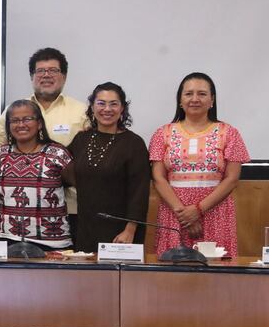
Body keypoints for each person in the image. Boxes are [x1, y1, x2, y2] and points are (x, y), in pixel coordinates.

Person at [0, 48, 86, 236]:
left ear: (64, 76)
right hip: (22, 210)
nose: (46, 75)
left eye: (53, 70)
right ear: (32, 76)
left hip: (72, 206)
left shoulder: (81, 111)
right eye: (40, 71)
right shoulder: (17, 108)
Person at [149, 73, 249, 257]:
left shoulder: (230, 133)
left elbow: (232, 179)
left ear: (212, 100)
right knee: (172, 270)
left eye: (202, 94)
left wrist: (197, 210)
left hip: (215, 211)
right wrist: (184, 214)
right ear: (180, 100)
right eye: (188, 94)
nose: (195, 99)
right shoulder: (162, 134)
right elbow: (158, 177)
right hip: (174, 213)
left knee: (215, 268)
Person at [65, 83, 150, 252]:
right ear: (92, 107)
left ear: (122, 108)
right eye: (101, 103)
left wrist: (130, 230)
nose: (107, 109)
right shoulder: (81, 139)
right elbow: (62, 169)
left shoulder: (134, 143)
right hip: (86, 226)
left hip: (121, 231)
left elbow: (139, 192)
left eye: (113, 104)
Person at [0, 100, 73, 250]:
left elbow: (77, 185)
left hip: (52, 243)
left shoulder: (57, 153)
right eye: (14, 120)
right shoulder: (1, 154)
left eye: (27, 119)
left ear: (39, 124)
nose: (21, 124)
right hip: (8, 239)